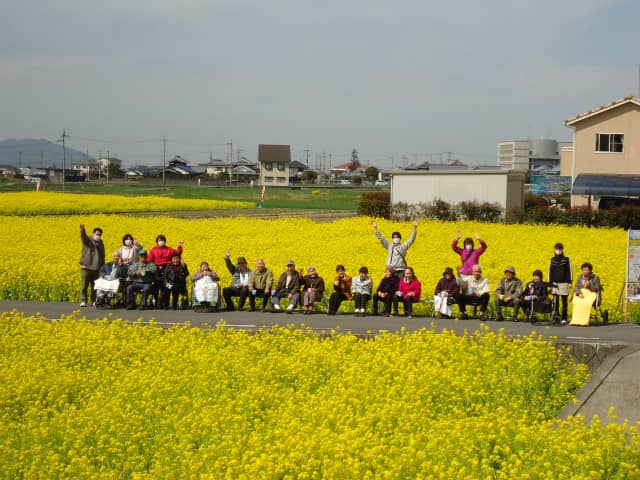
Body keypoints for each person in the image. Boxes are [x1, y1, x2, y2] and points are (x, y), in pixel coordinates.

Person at [148, 235, 184, 308]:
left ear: (165, 241)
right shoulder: (153, 250)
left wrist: (180, 246)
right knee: (157, 285)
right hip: (157, 269)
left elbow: (177, 253)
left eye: (162, 240)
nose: (161, 242)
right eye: (159, 240)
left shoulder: (169, 249)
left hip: (167, 268)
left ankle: (163, 302)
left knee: (165, 286)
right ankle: (156, 301)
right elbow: (149, 260)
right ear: (157, 242)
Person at [79, 224, 105, 307]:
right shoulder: (88, 240)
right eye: (97, 234)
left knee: (94, 286)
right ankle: (83, 300)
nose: (98, 236)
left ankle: (93, 301)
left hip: (96, 268)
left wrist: (102, 267)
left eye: (100, 235)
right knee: (84, 285)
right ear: (93, 233)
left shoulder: (101, 243)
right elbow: (83, 237)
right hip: (86, 267)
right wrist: (82, 230)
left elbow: (103, 254)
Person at [549, 242, 572, 324]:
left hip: (564, 282)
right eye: (556, 249)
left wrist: (570, 281)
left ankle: (564, 318)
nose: (558, 251)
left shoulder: (566, 259)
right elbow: (550, 272)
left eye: (559, 249)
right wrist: (550, 283)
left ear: (562, 250)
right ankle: (557, 316)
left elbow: (569, 270)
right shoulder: (552, 259)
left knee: (564, 301)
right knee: (556, 301)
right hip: (555, 283)